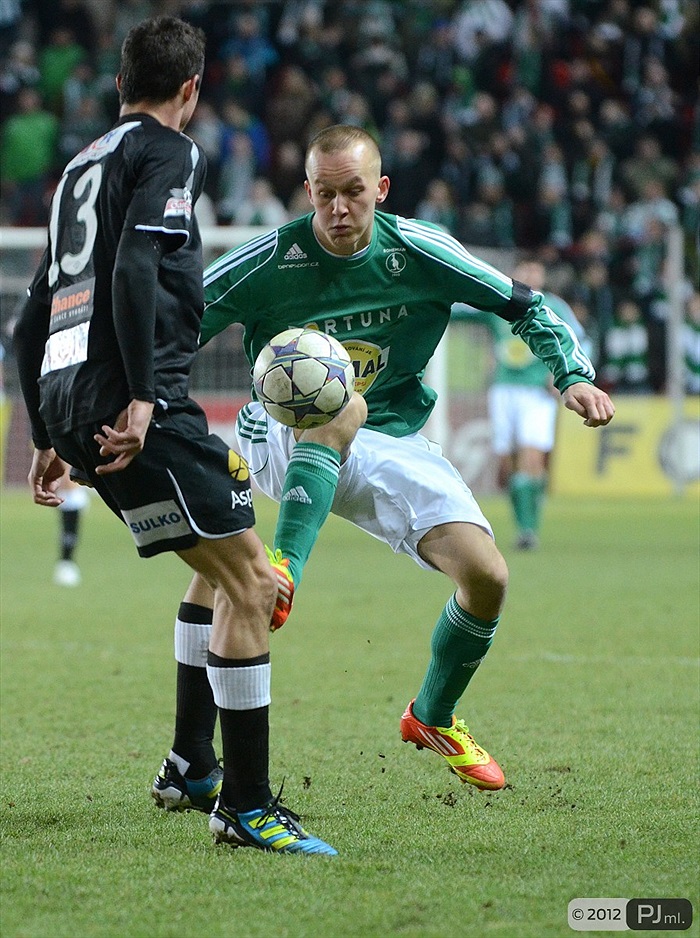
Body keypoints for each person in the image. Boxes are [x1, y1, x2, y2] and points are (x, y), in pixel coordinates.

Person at [195, 125, 615, 792]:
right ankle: (284, 570)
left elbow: (526, 307)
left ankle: (433, 715)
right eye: (324, 194)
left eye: (353, 193)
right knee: (335, 403)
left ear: (381, 190)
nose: (338, 208)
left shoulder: (420, 250)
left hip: (389, 437)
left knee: (487, 576)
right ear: (307, 192)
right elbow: (170, 319)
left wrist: (574, 376)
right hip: (273, 430)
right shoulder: (268, 260)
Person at [13, 16, 335, 857]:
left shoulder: (77, 171)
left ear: (122, 82)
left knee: (217, 569)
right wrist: (150, 396)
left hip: (77, 406)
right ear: (188, 89)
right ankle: (247, 804)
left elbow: (29, 313)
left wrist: (48, 423)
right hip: (135, 408)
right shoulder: (170, 152)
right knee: (253, 583)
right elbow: (134, 268)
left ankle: (193, 764)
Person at [453, 259, 595, 550]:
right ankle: (523, 526)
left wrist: (564, 375)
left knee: (532, 458)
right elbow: (461, 310)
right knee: (508, 465)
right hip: (503, 391)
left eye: (535, 269)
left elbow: (582, 339)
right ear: (515, 273)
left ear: (543, 274)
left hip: (536, 393)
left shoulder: (553, 305)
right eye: (525, 269)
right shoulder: (500, 299)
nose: (531, 274)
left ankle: (529, 529)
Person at [53, 475, 90, 586]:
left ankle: (66, 564)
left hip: (70, 496)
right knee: (69, 533)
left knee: (71, 532)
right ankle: (66, 564)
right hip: (69, 497)